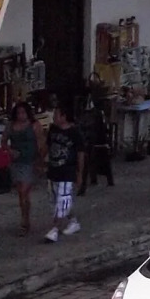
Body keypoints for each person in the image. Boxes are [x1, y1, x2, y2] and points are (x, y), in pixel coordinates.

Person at [43, 103, 85, 244]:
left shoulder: (74, 133)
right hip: (53, 170)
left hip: (67, 172)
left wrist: (79, 173)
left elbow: (80, 153)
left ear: (64, 117)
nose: (54, 117)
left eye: (56, 114)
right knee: (55, 201)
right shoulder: (53, 130)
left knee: (63, 199)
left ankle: (55, 229)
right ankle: (73, 221)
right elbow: (48, 147)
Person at [0, 101, 40, 237]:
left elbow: (41, 143)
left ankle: (24, 221)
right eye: (19, 113)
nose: (21, 115)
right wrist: (10, 151)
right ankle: (25, 217)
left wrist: (40, 161)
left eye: (23, 112)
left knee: (24, 191)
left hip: (30, 162)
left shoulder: (34, 126)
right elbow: (3, 142)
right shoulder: (11, 126)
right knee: (21, 194)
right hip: (16, 162)